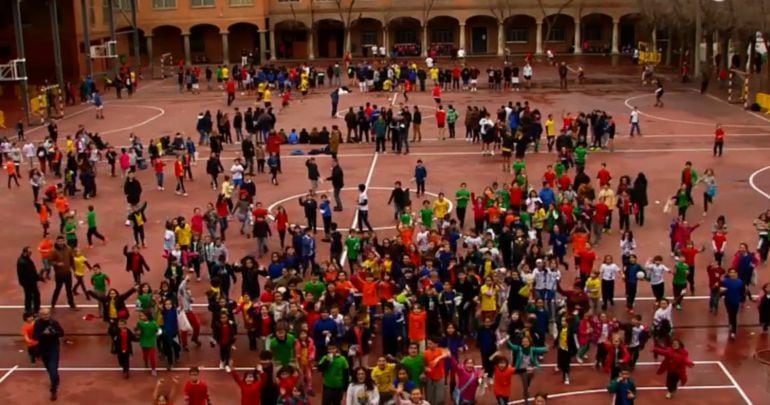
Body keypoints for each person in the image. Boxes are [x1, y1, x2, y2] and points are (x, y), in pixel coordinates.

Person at [33, 308, 64, 401]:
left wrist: (53, 333)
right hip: (43, 349)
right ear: (40, 315)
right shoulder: (37, 324)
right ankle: (55, 380)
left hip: (53, 349)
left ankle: (53, 390)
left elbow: (61, 333)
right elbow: (35, 336)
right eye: (43, 314)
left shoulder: (54, 323)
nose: (46, 316)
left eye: (47, 314)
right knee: (49, 368)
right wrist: (43, 334)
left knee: (53, 369)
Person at [48, 235, 77, 310]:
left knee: (69, 290)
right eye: (59, 241)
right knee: (57, 289)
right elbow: (50, 261)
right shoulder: (53, 251)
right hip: (59, 274)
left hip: (68, 273)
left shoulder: (68, 249)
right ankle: (53, 304)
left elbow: (72, 260)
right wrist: (57, 264)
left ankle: (72, 305)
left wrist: (74, 271)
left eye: (62, 241)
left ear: (64, 241)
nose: (61, 242)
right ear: (56, 242)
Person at [17, 246, 41, 313]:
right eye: (29, 252)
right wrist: (38, 278)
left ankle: (29, 309)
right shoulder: (23, 262)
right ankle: (35, 309)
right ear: (25, 252)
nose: (31, 253)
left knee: (29, 296)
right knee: (34, 296)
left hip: (27, 282)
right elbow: (30, 273)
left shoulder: (24, 259)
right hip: (29, 283)